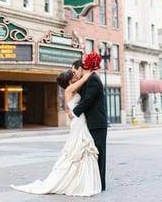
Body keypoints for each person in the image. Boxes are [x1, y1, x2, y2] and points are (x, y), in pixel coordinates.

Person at [11, 67, 101, 197]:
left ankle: (81, 180)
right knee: (79, 149)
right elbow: (86, 78)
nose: (76, 76)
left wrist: (69, 112)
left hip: (78, 120)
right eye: (73, 75)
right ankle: (76, 182)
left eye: (75, 74)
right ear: (70, 80)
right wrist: (90, 70)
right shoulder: (70, 89)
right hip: (78, 122)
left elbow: (68, 107)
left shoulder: (72, 90)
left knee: (81, 149)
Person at [70, 57, 107, 191]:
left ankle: (100, 184)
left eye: (75, 71)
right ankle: (94, 182)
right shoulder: (89, 80)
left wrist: (74, 113)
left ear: (81, 68)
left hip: (97, 123)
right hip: (91, 122)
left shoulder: (93, 80)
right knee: (93, 153)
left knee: (99, 153)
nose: (75, 74)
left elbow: (87, 100)